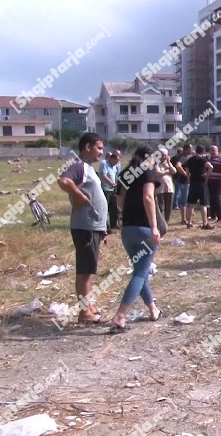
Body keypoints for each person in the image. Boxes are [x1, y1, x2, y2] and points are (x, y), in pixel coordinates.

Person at [109, 146, 163, 333]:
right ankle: (120, 316)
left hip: (128, 230)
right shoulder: (148, 171)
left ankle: (153, 309)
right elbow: (148, 197)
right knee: (140, 273)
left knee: (140, 272)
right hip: (144, 228)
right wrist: (154, 227)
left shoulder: (124, 173)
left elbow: (119, 203)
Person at [58, 133, 108, 324]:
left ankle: (89, 307)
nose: (101, 152)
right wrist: (78, 196)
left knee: (89, 270)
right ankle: (84, 313)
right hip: (85, 226)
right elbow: (63, 181)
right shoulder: (78, 166)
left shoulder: (88, 168)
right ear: (87, 147)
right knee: (85, 271)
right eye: (99, 148)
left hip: (92, 226)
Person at [184, 145, 214, 229]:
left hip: (193, 181)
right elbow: (211, 166)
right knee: (203, 204)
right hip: (201, 182)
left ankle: (189, 222)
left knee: (191, 203)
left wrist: (188, 178)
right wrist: (207, 176)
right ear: (203, 151)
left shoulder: (190, 159)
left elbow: (187, 170)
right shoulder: (202, 159)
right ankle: (205, 223)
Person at [99, 152, 121, 234]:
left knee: (114, 209)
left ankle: (113, 226)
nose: (116, 163)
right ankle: (105, 227)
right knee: (105, 209)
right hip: (105, 189)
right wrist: (111, 183)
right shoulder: (104, 164)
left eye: (118, 161)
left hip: (113, 190)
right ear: (111, 158)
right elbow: (103, 175)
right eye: (116, 161)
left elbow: (116, 176)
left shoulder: (115, 166)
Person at [207, 145, 221, 223]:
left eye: (214, 150)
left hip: (218, 181)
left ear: (217, 151)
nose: (212, 152)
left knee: (217, 199)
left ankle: (220, 216)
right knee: (211, 199)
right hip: (210, 181)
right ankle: (213, 215)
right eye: (211, 150)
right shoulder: (209, 159)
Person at [155, 148, 177, 223]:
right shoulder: (156, 164)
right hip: (160, 189)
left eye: (165, 155)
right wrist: (167, 171)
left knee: (168, 207)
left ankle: (166, 221)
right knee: (161, 207)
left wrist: (169, 163)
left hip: (169, 189)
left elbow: (174, 171)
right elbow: (158, 173)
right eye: (162, 155)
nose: (163, 157)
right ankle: (161, 222)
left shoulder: (168, 164)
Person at [172, 144, 192, 224]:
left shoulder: (185, 156)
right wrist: (186, 175)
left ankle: (187, 217)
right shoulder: (182, 157)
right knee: (184, 200)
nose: (192, 150)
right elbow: (178, 166)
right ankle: (183, 219)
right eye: (190, 149)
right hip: (183, 181)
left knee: (186, 199)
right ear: (186, 149)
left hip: (184, 181)